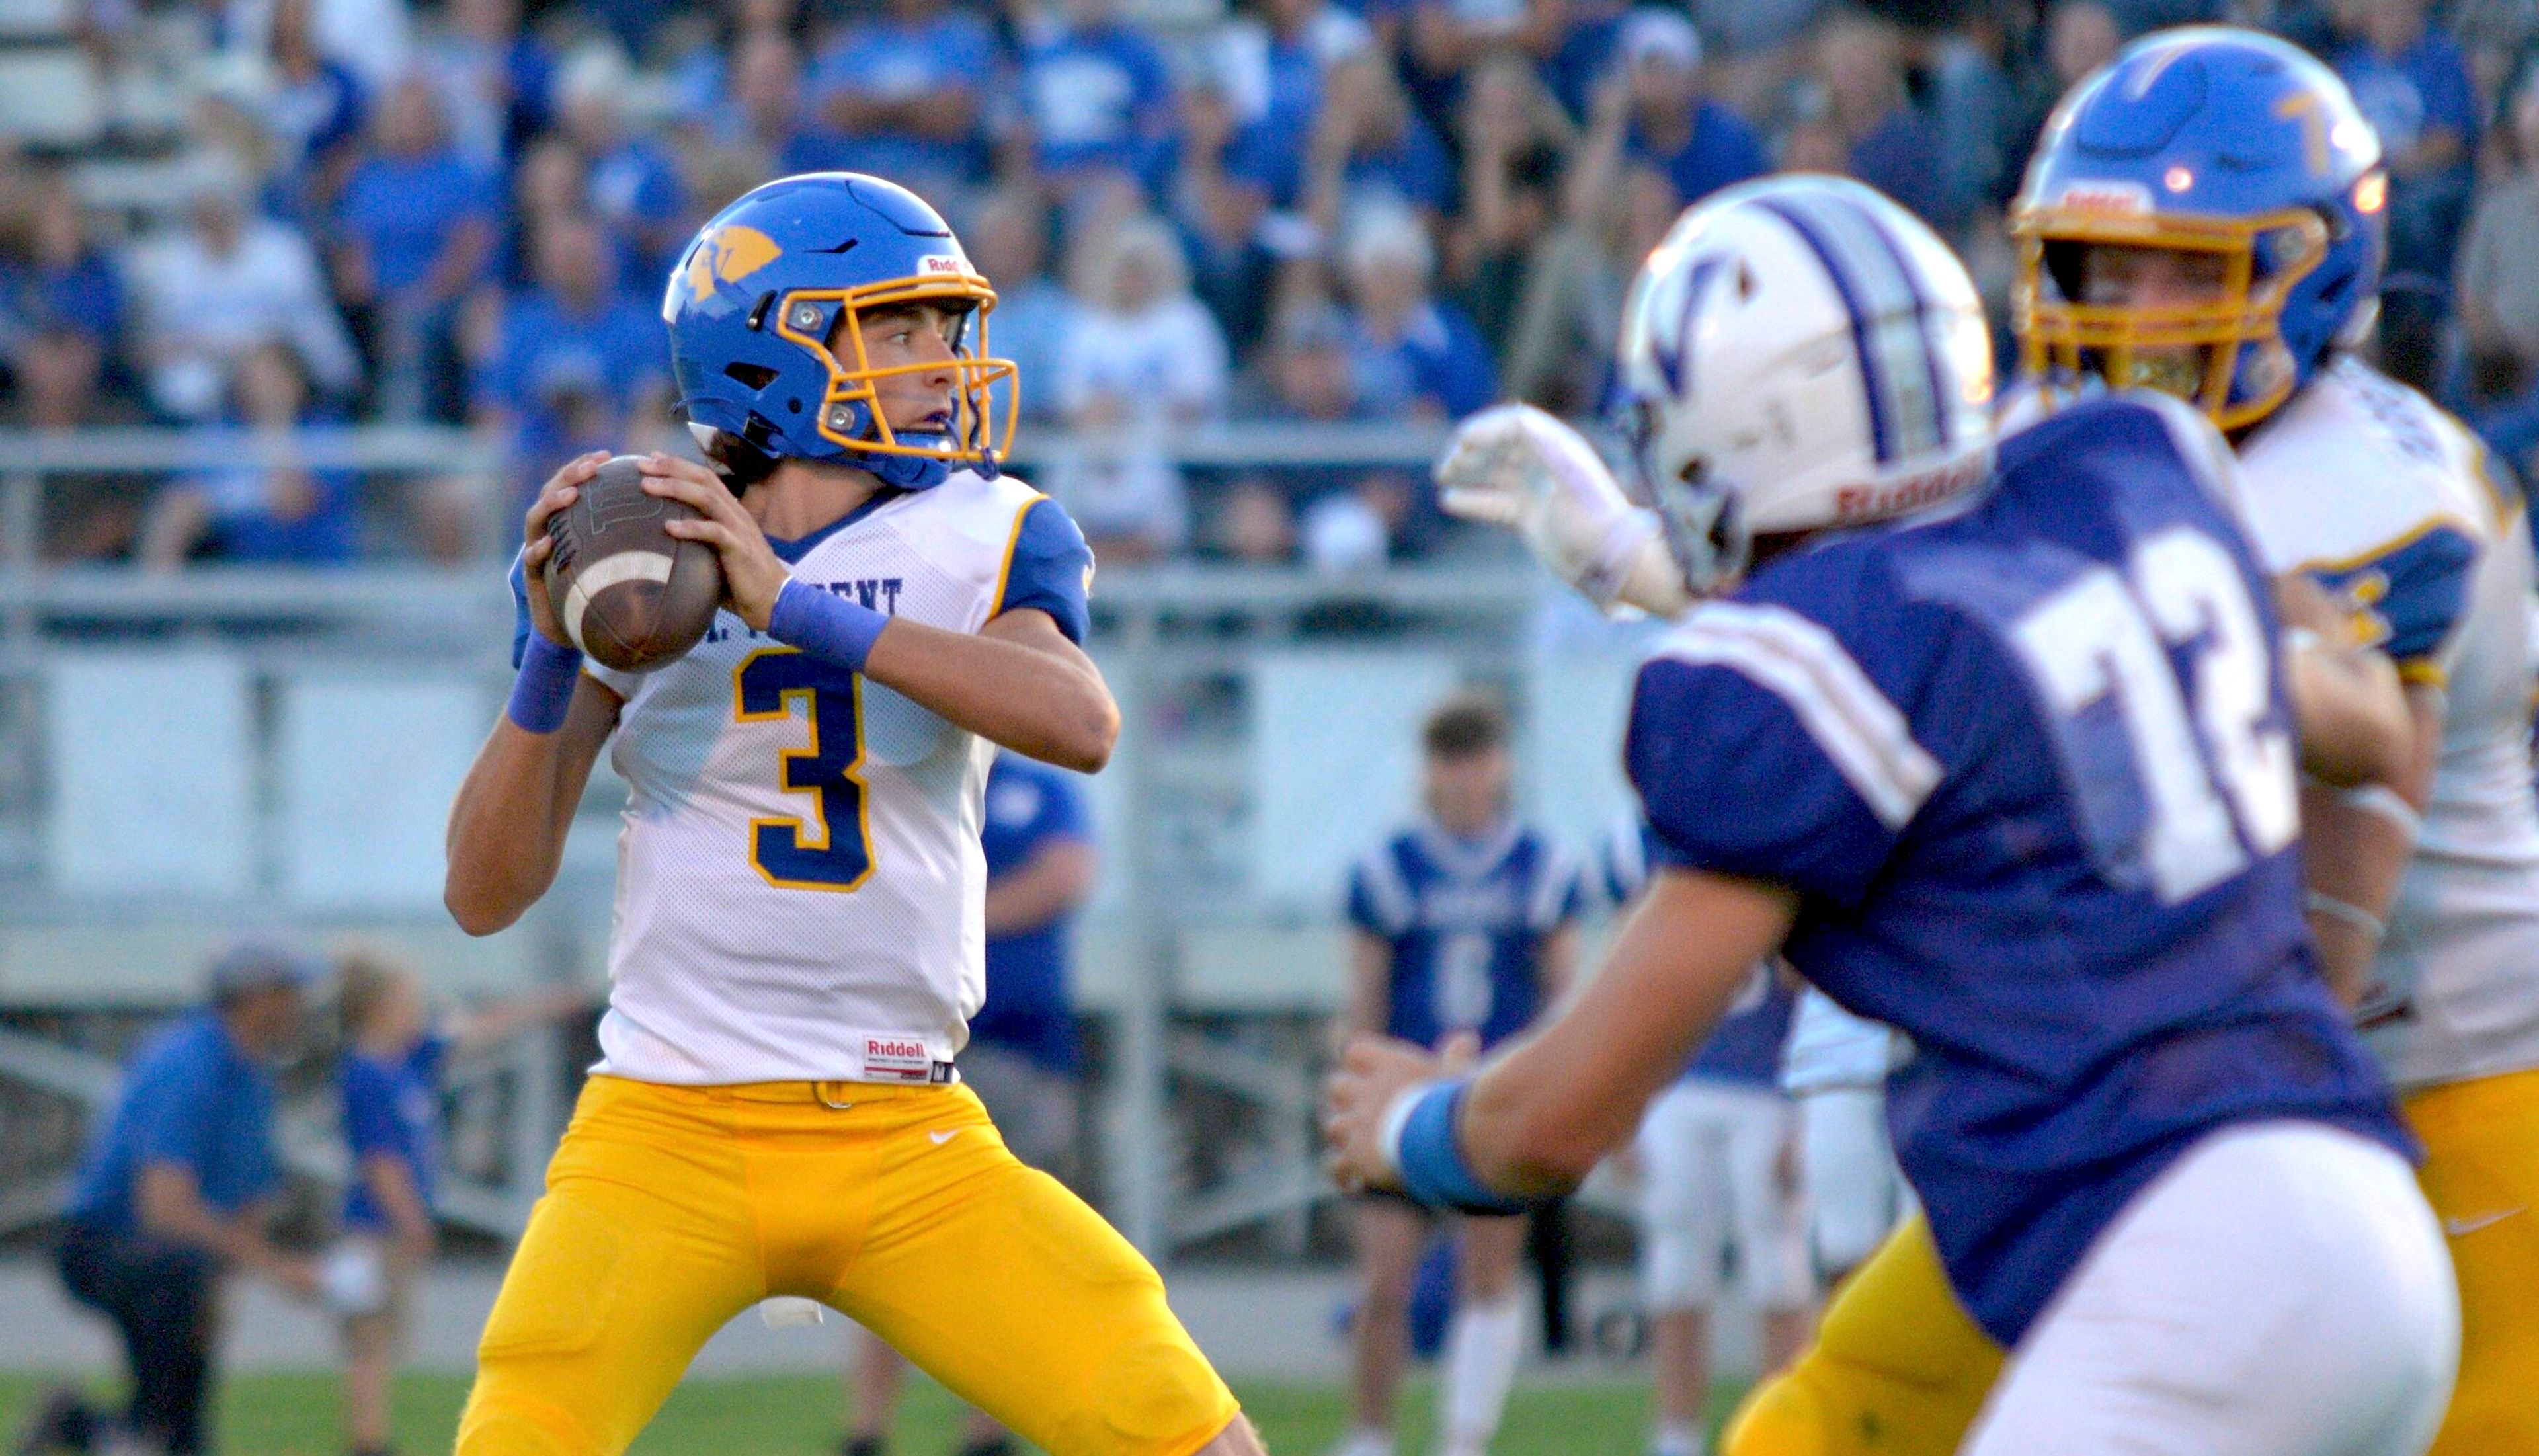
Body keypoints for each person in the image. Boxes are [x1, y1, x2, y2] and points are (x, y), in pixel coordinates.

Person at [1328, 170, 2456, 1454]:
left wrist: (1413, 1127)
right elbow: (2353, 718)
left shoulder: (1788, 676)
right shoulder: (2121, 477)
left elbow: (1556, 1125)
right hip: (2370, 1231)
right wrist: (1635, 565)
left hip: (2180, 1259)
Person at [1711, 28, 2539, 1456]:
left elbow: (2320, 897)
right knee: (1825, 1424)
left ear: (2317, 268)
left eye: (2189, 270)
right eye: (2107, 267)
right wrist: (1664, 558)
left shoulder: (2376, 484)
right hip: (2164, 1103)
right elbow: (1885, 614)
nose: (2139, 315)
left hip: (2451, 1095)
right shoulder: (2043, 441)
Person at [441, 171, 1261, 1456]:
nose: (941, 360)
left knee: (1188, 1434)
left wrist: (797, 608)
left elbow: (1079, 723)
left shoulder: (986, 527)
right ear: (773, 347)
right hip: (664, 1122)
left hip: (902, 1127)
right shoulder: (649, 550)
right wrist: (547, 651)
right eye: (896, 327)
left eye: (943, 326)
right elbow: (484, 895)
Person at [1329, 692, 1581, 1456]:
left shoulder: (1540, 865)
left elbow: (1562, 994)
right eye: (1449, 760)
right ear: (1429, 771)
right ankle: (1370, 1434)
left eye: (1475, 758)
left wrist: (1544, 1087)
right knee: (1384, 1280)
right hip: (1408, 1090)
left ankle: (1463, 1440)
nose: (1463, 777)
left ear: (1500, 766)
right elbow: (1364, 995)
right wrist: (1357, 1080)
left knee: (1489, 1276)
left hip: (1494, 1095)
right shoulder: (1391, 867)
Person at [842, 750, 1099, 1456]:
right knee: (884, 1245)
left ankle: (987, 1431)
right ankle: (867, 1428)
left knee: (1010, 1245)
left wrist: (948, 917)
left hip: (1018, 1045)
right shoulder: (905, 771)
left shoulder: (1035, 784)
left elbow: (1064, 876)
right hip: (912, 1043)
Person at [24, 943, 321, 1456]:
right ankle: (115, 1432)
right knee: (174, 1300)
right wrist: (278, 1268)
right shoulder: (187, 1064)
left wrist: (225, 1285)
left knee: (183, 1409)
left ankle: (90, 1427)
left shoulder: (251, 1075)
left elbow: (247, 1198)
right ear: (252, 997)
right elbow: (163, 1207)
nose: (300, 1004)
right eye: (287, 991)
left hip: (174, 1260)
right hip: (105, 1244)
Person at [1603, 821, 1808, 1456]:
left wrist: (1806, 1109)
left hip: (1767, 1078)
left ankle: (1784, 1437)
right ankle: (1676, 1440)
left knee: (1779, 1275)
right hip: (1677, 1082)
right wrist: (1623, 1102)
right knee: (1675, 1275)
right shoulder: (1638, 842)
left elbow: (1811, 977)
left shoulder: (1784, 824)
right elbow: (1624, 981)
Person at [333, 947, 588, 1456]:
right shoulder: (365, 1073)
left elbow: (478, 1030)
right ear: (378, 1009)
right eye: (407, 1002)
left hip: (392, 1229)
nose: (416, 1011)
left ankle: (372, 1436)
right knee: (371, 1339)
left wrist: (548, 1007)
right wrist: (412, 1221)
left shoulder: (410, 1059)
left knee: (387, 1338)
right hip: (374, 1229)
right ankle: (368, 1441)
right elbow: (380, 1161)